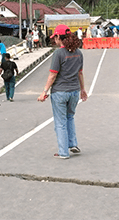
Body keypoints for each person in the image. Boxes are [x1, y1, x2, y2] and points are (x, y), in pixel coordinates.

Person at [37, 24, 88, 159]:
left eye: (55, 37)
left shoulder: (59, 53)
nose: (55, 40)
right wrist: (83, 90)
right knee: (70, 117)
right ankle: (73, 144)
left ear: (59, 37)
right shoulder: (78, 53)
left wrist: (44, 91)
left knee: (60, 122)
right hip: (74, 92)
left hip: (60, 92)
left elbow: (53, 75)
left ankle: (63, 152)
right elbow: (80, 74)